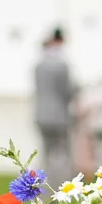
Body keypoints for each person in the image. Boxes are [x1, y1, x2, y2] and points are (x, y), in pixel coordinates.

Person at [34, 29, 75, 188]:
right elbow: (67, 91)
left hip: (41, 115)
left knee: (45, 153)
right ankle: (59, 186)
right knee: (60, 153)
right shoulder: (61, 64)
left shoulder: (38, 64)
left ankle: (43, 187)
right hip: (58, 116)